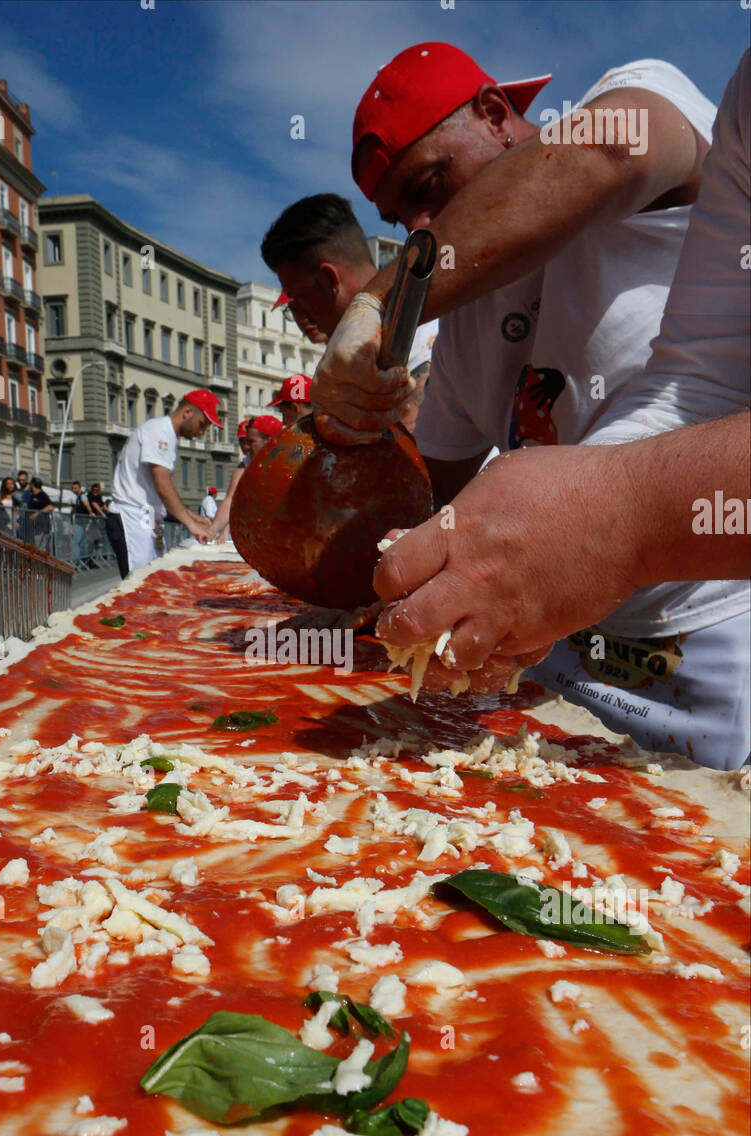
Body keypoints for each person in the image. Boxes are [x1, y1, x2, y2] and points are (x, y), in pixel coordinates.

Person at [310, 41, 748, 764]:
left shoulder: (639, 96)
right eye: (401, 215)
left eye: (429, 181)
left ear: (493, 115)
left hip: (712, 619)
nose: (422, 224)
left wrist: (378, 302)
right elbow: (435, 497)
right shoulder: (458, 326)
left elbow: (610, 155)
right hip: (554, 645)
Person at [262, 193, 437, 428]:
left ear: (328, 280)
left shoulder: (424, 346)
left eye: (300, 298)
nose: (301, 316)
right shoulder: (351, 359)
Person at [105, 390, 218, 578]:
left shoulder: (167, 435)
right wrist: (191, 524)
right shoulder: (159, 431)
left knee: (155, 577)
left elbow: (158, 491)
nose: (201, 432)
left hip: (146, 517)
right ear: (187, 412)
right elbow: (162, 485)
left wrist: (192, 516)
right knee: (138, 583)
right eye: (201, 424)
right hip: (131, 517)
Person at [210, 415, 283, 543]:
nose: (246, 447)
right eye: (243, 442)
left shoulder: (290, 462)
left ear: (269, 441)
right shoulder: (246, 464)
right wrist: (213, 529)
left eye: (251, 442)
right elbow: (230, 501)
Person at [26, 477, 55, 551]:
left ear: (32, 485)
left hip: (41, 527)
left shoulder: (42, 495)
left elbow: (50, 507)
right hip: (33, 527)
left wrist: (37, 513)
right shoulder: (32, 496)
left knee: (40, 547)